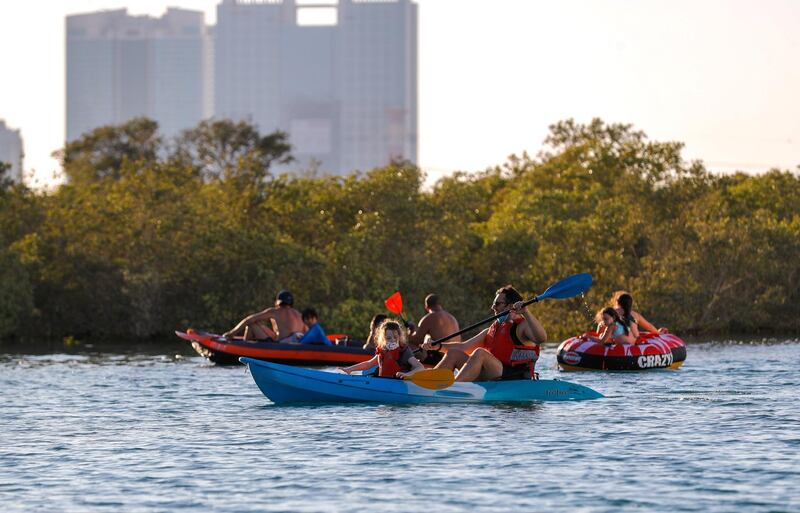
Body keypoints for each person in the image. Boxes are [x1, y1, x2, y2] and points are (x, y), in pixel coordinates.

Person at [418, 285, 547, 382]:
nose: (493, 307)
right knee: (454, 353)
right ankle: (430, 382)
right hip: (493, 371)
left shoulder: (522, 326)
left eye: (497, 303)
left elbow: (541, 338)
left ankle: (455, 387)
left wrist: (526, 312)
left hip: (512, 374)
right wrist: (438, 346)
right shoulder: (494, 328)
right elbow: (463, 347)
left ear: (510, 306)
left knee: (480, 353)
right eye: (493, 303)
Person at [341, 320, 424, 378]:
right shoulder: (383, 350)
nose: (392, 340)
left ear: (399, 336)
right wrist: (350, 369)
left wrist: (408, 375)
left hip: (399, 382)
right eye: (388, 338)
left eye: (395, 337)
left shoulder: (404, 351)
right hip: (384, 380)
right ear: (383, 339)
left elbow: (420, 367)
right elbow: (368, 364)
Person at [223, 290, 307, 342]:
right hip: (294, 345)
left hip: (280, 345)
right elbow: (305, 332)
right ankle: (246, 342)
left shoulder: (275, 311)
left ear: (278, 302)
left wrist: (231, 333)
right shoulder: (300, 315)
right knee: (264, 328)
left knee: (251, 325)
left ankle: (244, 347)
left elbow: (249, 319)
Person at [407, 293, 460, 364]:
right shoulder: (452, 318)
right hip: (455, 356)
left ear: (426, 307)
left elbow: (416, 340)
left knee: (406, 344)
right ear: (439, 304)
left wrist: (410, 332)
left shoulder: (429, 318)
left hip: (440, 358)